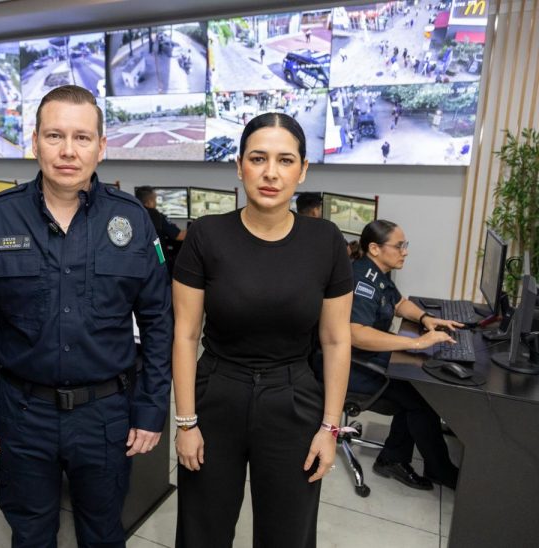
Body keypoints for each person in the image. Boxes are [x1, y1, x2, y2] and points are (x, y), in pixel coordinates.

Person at [0, 85, 173, 548]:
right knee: (30, 534)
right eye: (54, 136)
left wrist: (152, 409)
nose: (68, 151)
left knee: (103, 532)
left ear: (101, 147)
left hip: (106, 415)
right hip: (22, 412)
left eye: (82, 137)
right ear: (34, 142)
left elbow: (158, 322)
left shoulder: (133, 221)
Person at [172, 112, 353, 548]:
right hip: (216, 395)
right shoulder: (206, 235)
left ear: (303, 169)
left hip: (293, 399)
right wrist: (185, 422)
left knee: (287, 535)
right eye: (258, 158)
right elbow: (185, 335)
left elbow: (335, 339)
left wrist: (330, 429)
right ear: (239, 166)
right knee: (202, 532)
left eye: (285, 160)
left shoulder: (325, 240)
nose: (271, 173)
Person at [349, 220, 460, 489]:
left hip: (368, 357)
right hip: (352, 366)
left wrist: (425, 318)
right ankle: (438, 470)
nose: (405, 251)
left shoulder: (378, 273)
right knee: (421, 397)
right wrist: (415, 343)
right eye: (399, 246)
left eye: (404, 245)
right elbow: (356, 333)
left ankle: (393, 456)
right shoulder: (362, 281)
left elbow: (399, 303)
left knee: (418, 384)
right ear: (374, 248)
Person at [135, 186, 186, 274]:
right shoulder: (157, 216)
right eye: (155, 200)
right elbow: (180, 236)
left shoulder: (134, 214)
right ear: (150, 202)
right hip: (159, 256)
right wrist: (196, 228)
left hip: (140, 261)